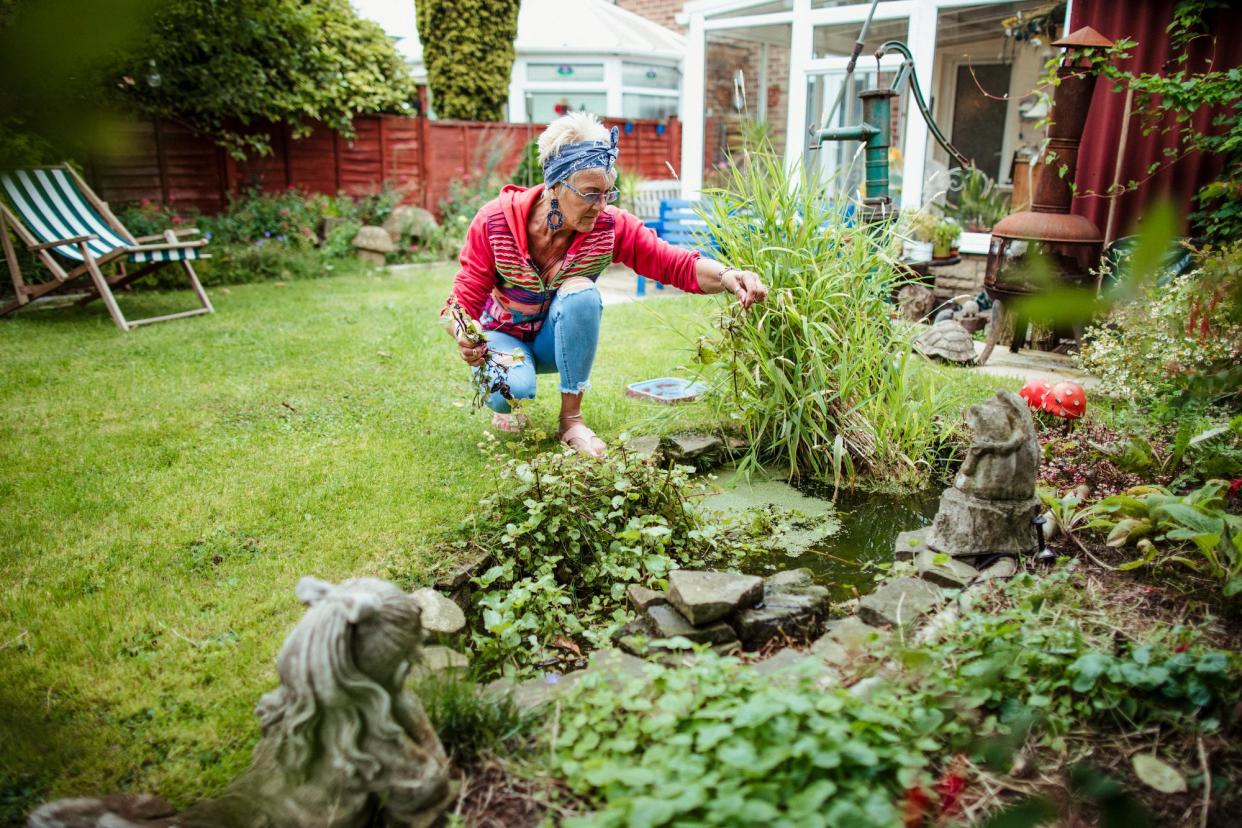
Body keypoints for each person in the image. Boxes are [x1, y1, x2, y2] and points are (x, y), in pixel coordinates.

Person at [444, 112, 767, 457]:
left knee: (581, 292)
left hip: (556, 342)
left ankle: (571, 421)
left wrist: (729, 277)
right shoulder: (495, 223)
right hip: (504, 336)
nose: (601, 206)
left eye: (608, 194)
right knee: (511, 392)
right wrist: (464, 334)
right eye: (590, 194)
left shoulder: (610, 227)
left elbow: (672, 262)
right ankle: (513, 391)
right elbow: (460, 305)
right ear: (555, 185)